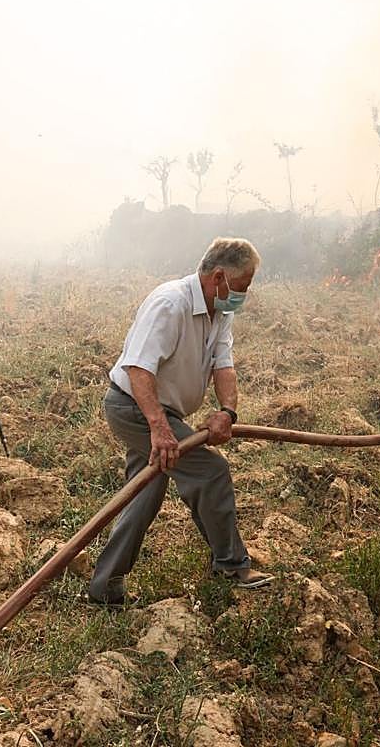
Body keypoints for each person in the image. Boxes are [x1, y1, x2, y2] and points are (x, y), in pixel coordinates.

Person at [88, 237, 272, 607]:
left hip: (161, 411)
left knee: (144, 493)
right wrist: (159, 428)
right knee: (211, 471)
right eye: (242, 286)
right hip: (135, 408)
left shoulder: (221, 311)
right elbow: (139, 368)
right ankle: (231, 566)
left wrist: (227, 411)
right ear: (219, 276)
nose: (243, 295)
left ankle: (105, 588)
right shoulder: (170, 303)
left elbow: (224, 364)